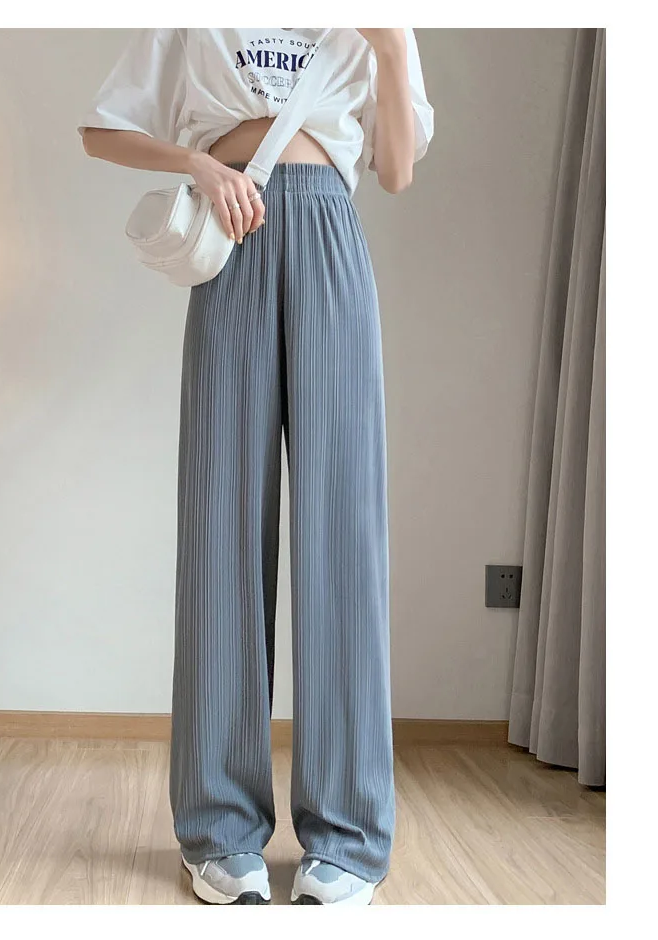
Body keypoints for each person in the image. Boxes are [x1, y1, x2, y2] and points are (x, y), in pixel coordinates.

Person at [78, 27, 434, 906]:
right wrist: (199, 167)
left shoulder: (372, 24)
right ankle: (219, 827)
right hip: (230, 234)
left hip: (330, 235)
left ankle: (347, 834)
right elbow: (101, 130)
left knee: (343, 535)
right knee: (222, 527)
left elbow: (396, 171)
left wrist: (392, 49)